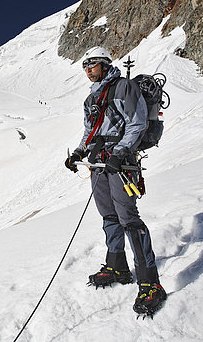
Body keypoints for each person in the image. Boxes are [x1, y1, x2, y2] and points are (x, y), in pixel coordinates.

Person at [65, 46, 166, 315]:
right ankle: (117, 266)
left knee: (128, 218)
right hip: (99, 162)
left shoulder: (123, 87)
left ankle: (150, 283)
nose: (88, 69)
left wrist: (121, 152)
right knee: (108, 216)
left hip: (121, 163)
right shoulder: (91, 99)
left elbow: (138, 122)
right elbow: (90, 131)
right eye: (85, 65)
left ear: (105, 64)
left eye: (92, 64)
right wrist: (78, 152)